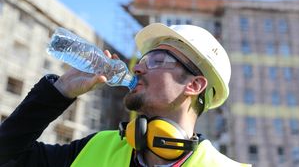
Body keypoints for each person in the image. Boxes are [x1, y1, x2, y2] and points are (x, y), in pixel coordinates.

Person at [0, 23, 251, 166]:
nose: (138, 67)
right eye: (142, 59)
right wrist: (58, 92)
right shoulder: (96, 147)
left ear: (194, 85)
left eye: (157, 60)